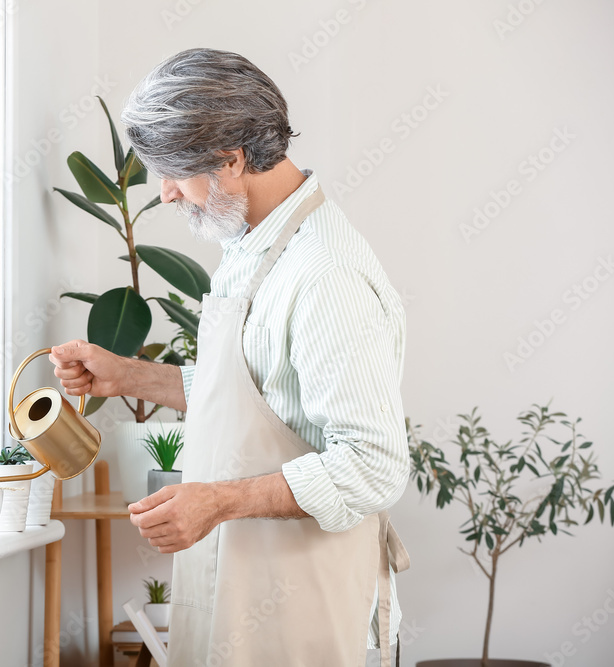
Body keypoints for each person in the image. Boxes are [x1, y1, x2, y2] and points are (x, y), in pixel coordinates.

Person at [49, 48, 411, 667]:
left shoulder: (325, 275)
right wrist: (127, 375)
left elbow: (375, 465)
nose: (164, 195)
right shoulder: (252, 239)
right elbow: (254, 395)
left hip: (305, 605)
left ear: (230, 160)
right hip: (244, 587)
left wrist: (219, 501)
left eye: (172, 173)